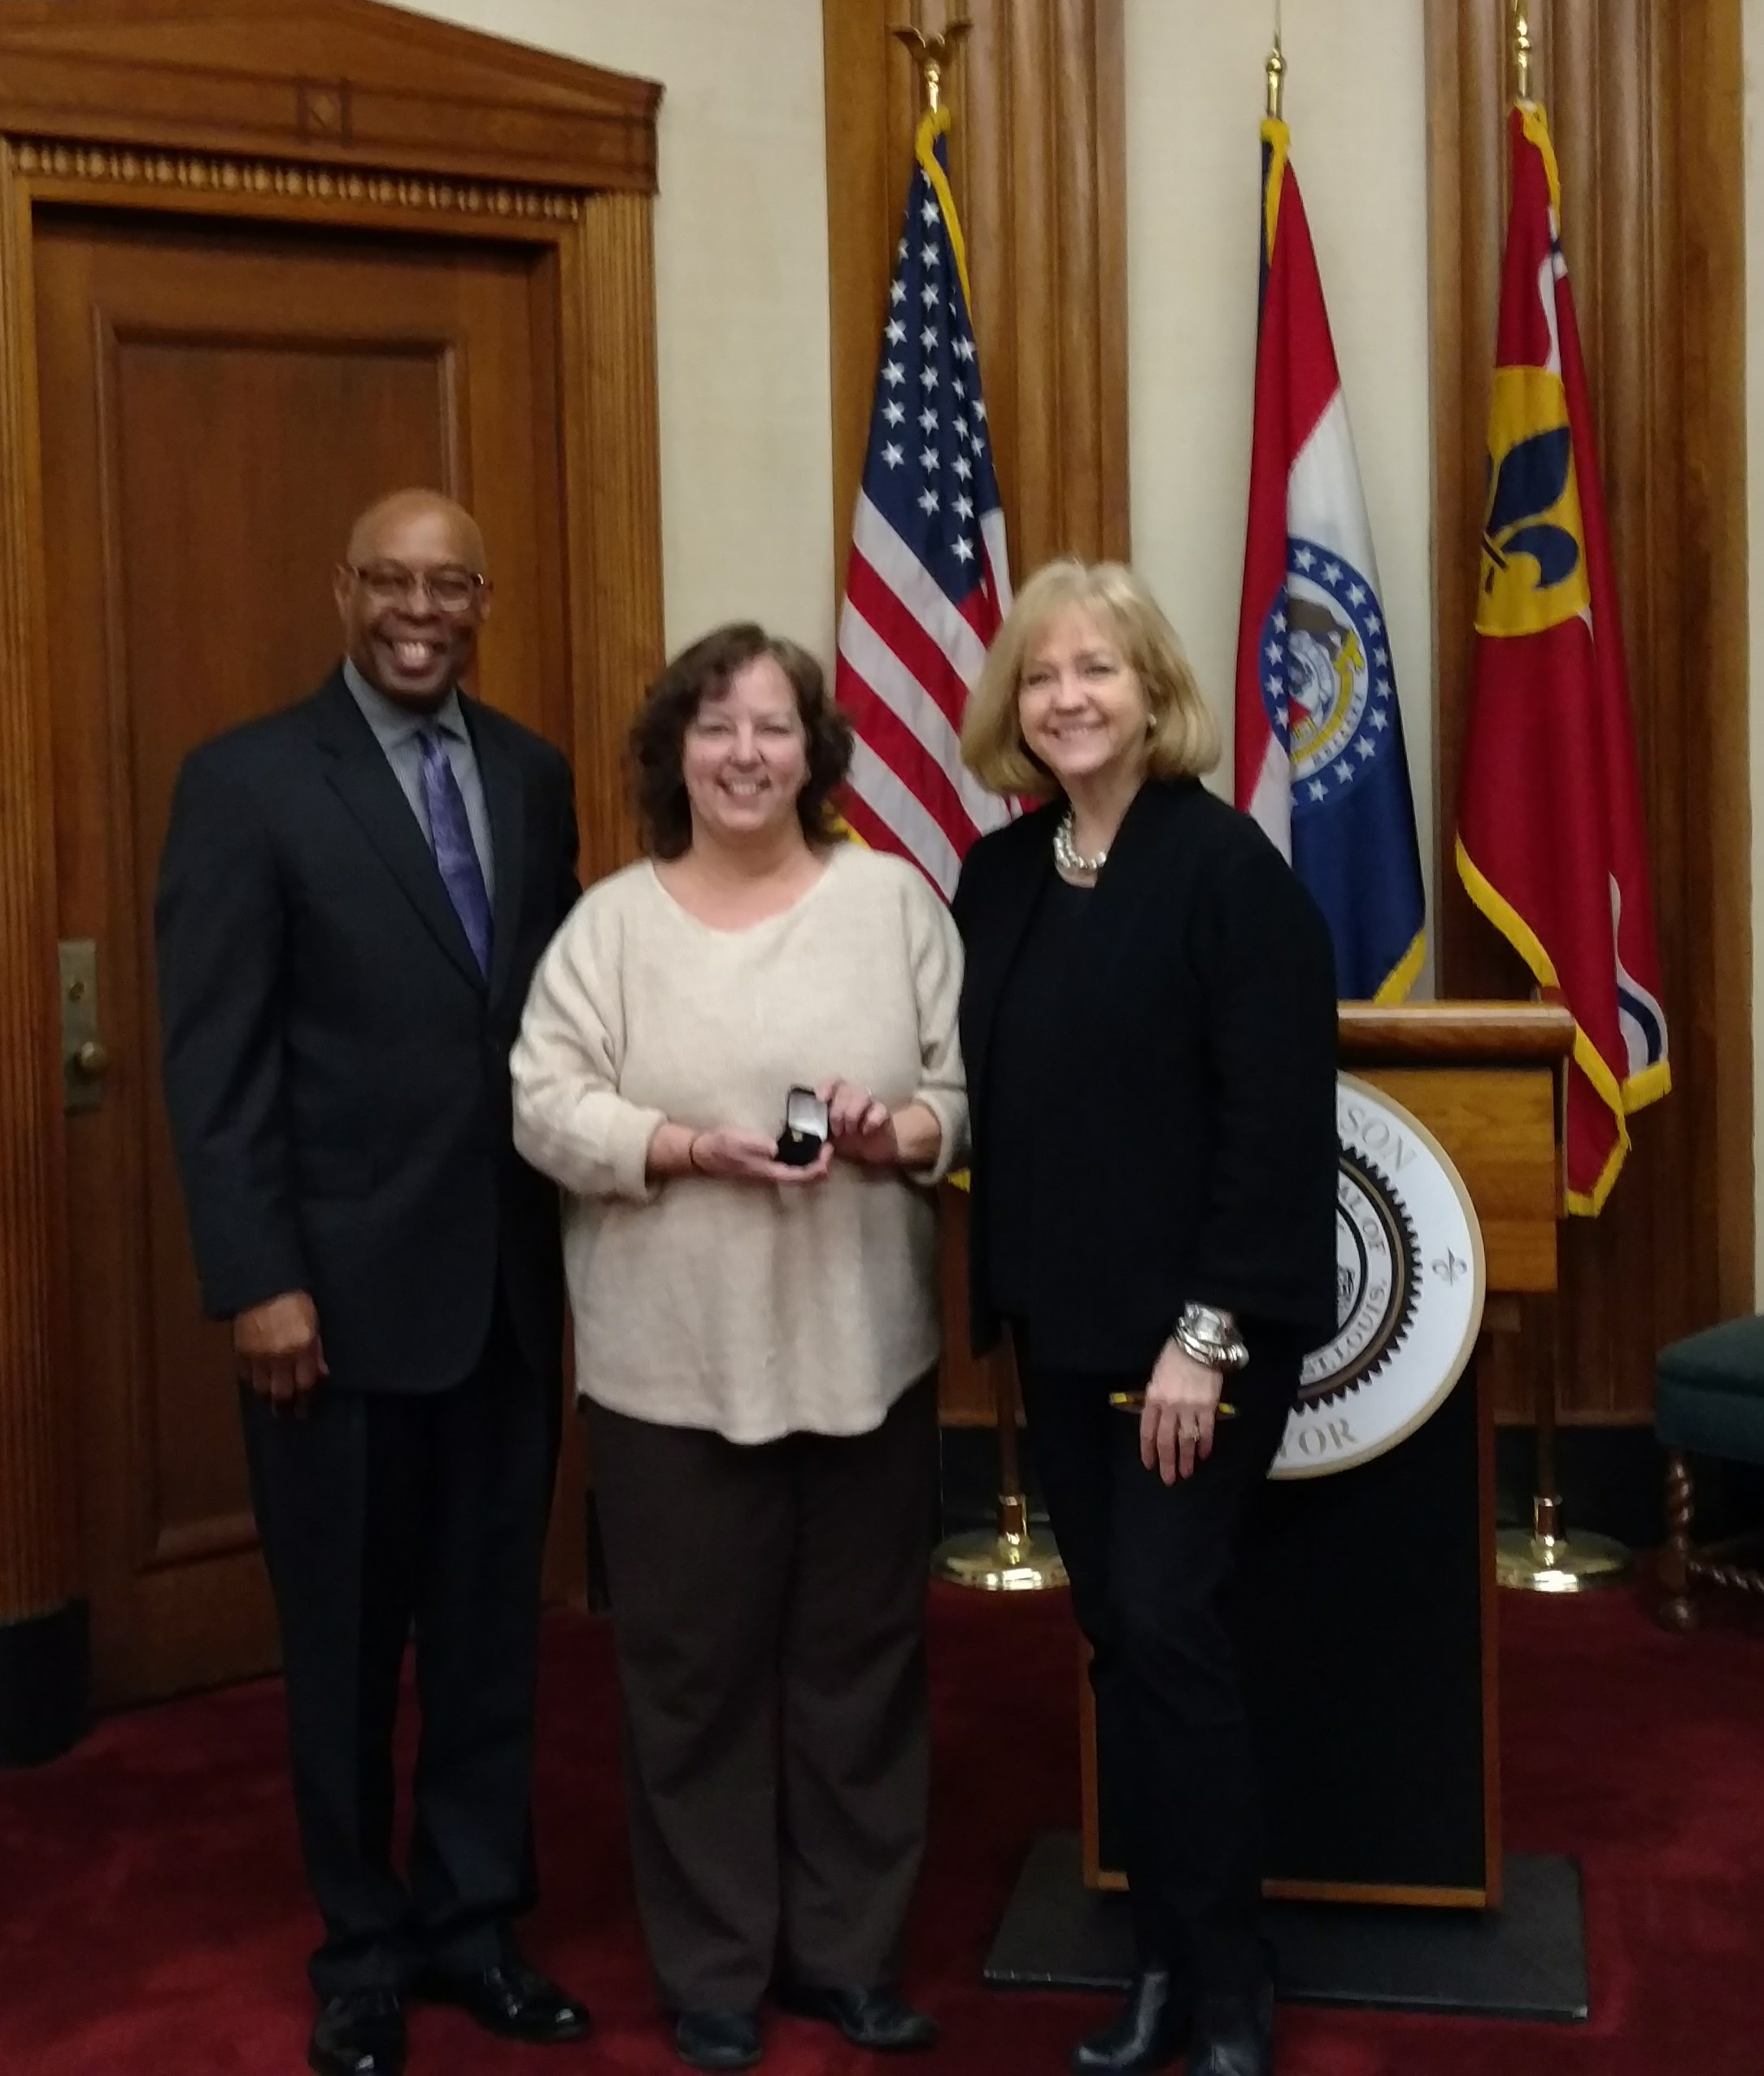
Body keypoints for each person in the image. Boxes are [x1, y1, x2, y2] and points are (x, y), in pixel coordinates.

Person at [156, 490, 590, 2076]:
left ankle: (473, 1920)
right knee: (341, 1646)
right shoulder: (248, 782)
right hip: (325, 1312)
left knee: (488, 1633)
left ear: (482, 598)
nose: (424, 609)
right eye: (394, 582)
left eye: (452, 584)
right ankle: (359, 1947)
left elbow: (553, 1029)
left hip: (505, 1297)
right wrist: (256, 1280)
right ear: (345, 591)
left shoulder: (535, 777)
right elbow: (214, 1065)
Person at [510, 623, 966, 2074]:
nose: (745, 755)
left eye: (772, 728)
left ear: (814, 753)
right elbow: (541, 1105)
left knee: (859, 1667)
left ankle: (846, 1957)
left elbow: (966, 1089)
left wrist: (901, 1132)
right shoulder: (610, 926)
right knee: (691, 1678)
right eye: (714, 729)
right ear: (674, 755)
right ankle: (712, 1969)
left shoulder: (894, 905)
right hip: (668, 1372)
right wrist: (677, 1146)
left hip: (864, 1354)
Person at [953, 560, 1339, 2076]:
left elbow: (1271, 1131)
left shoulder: (1228, 870)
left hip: (1203, 1339)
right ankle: (1164, 1971)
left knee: (1170, 1630)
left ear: (1153, 691)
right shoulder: (999, 877)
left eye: (1096, 671)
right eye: (1042, 677)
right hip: (1062, 1328)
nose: (1067, 699)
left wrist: (1210, 1335)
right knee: (1118, 1637)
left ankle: (1230, 1990)